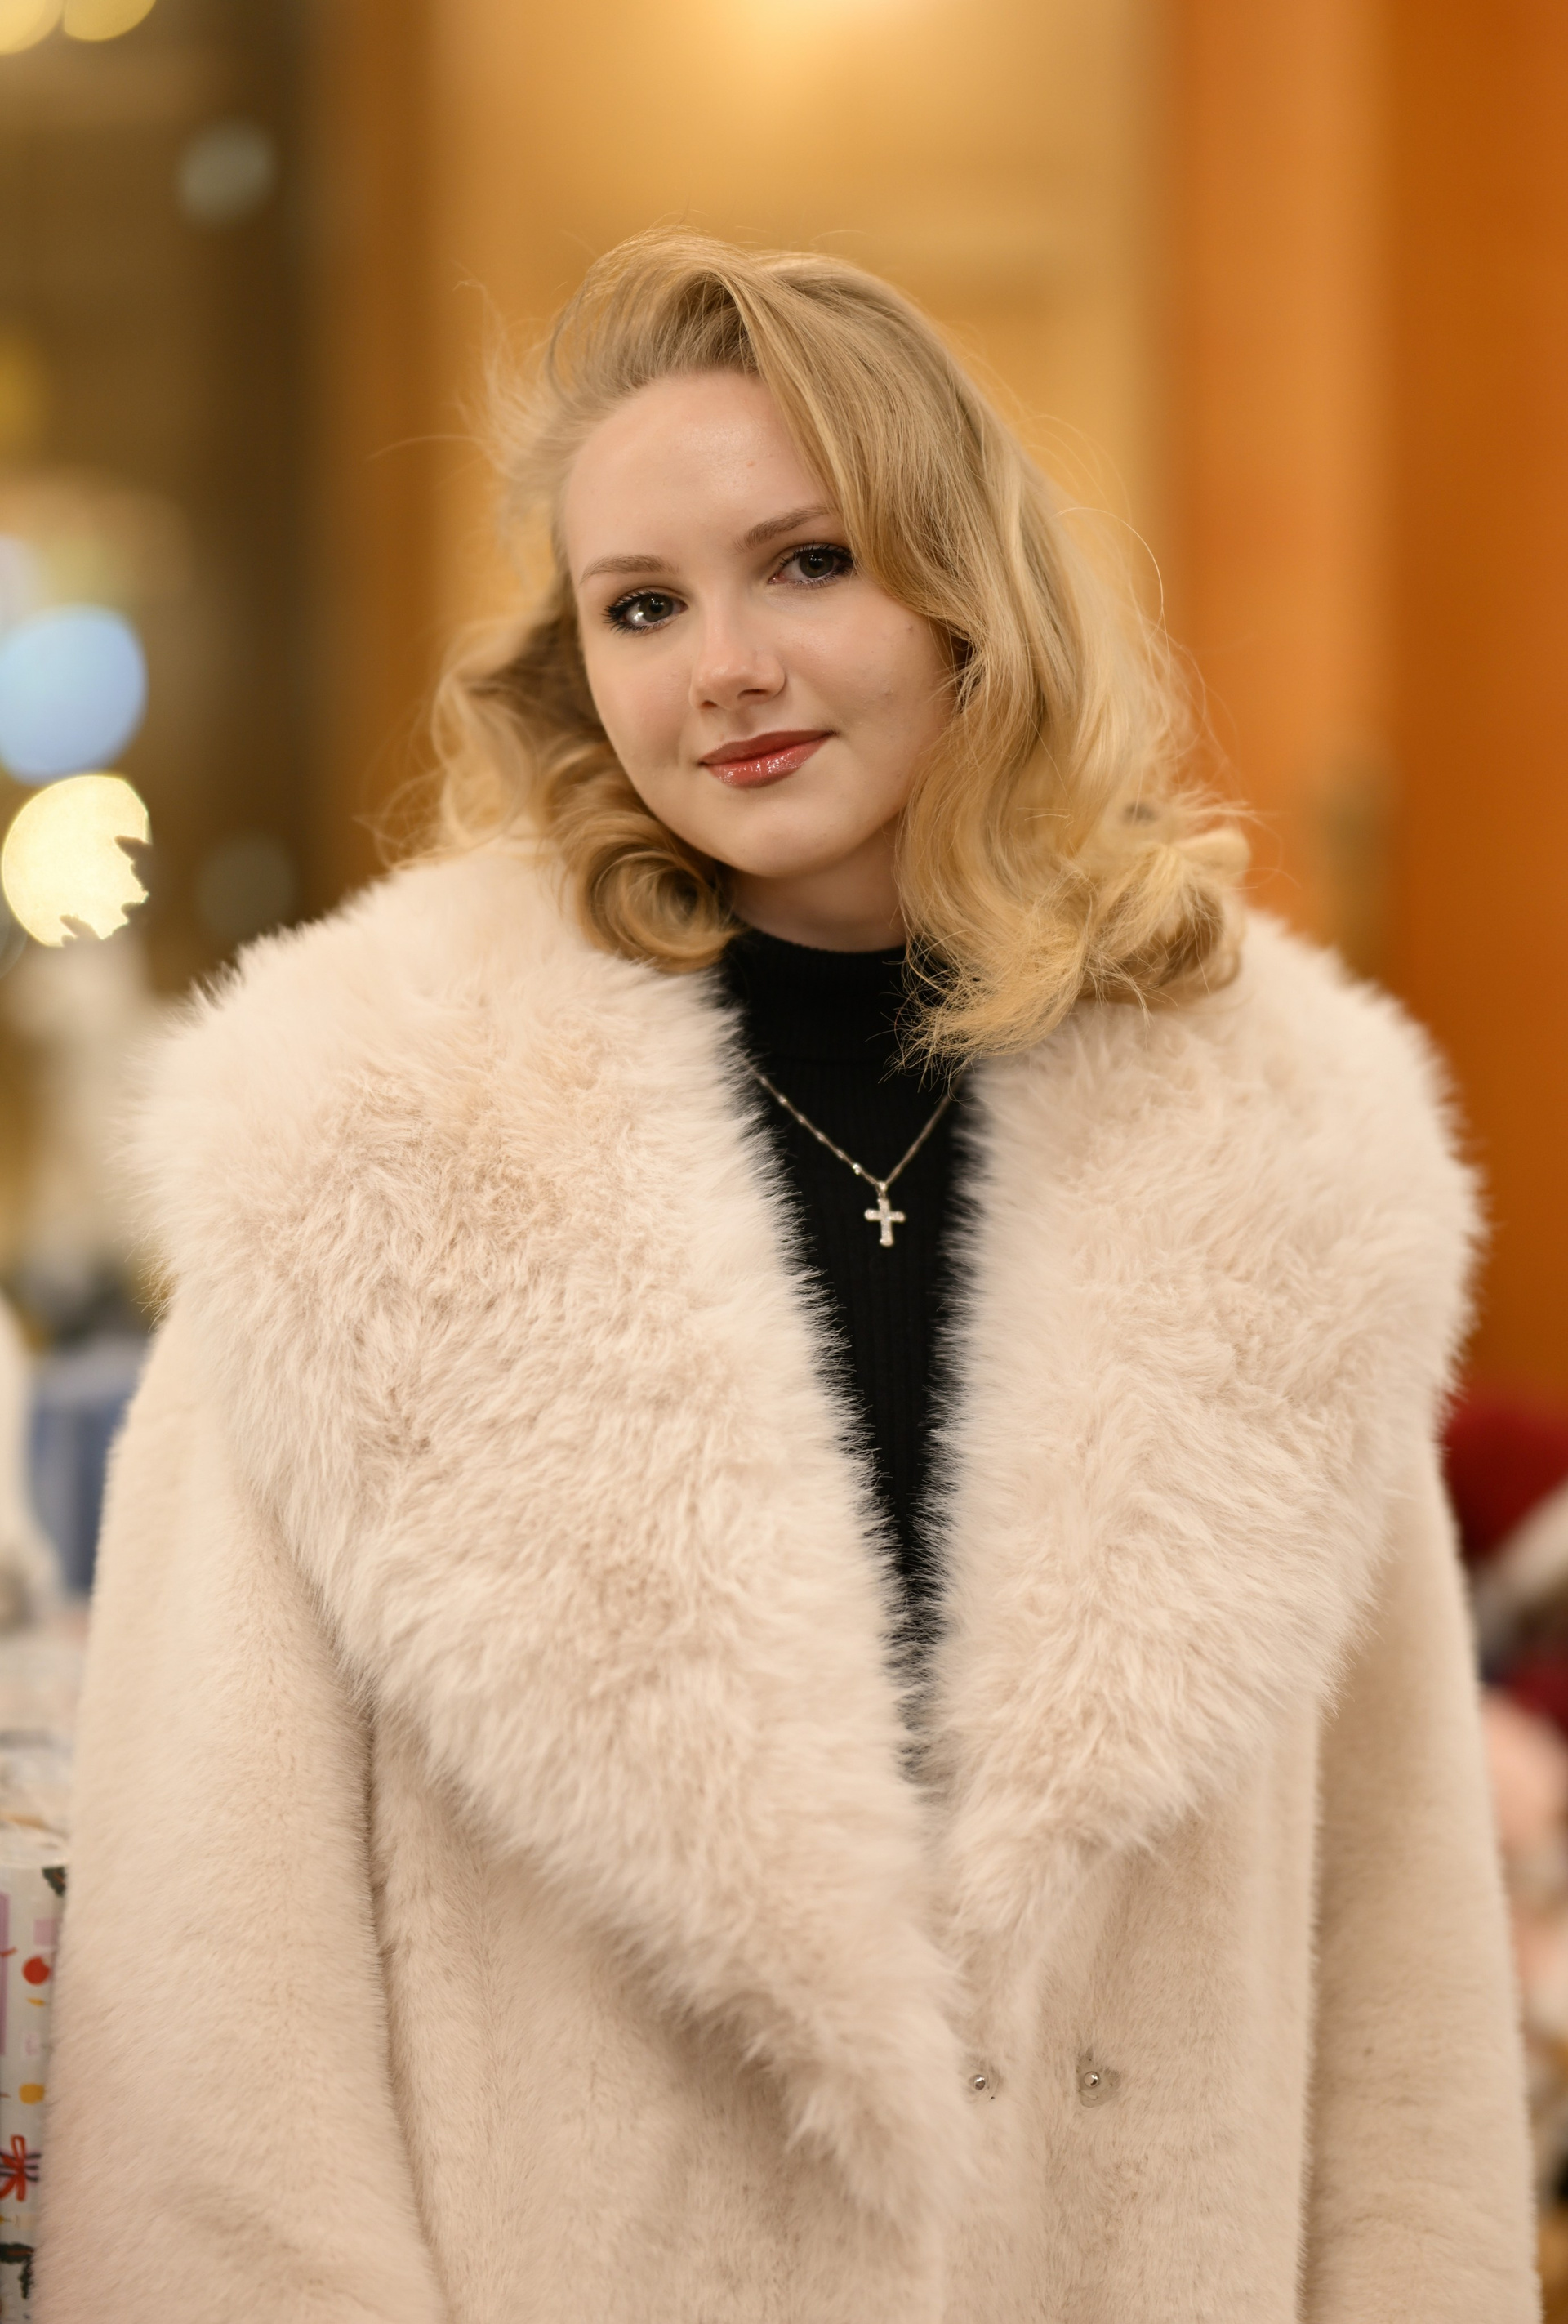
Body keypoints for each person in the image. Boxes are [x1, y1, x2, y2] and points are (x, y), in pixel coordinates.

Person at [38, 234, 1535, 2323]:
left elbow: (1400, 1990)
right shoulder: (356, 1150)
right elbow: (217, 2012)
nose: (722, 666)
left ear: (965, 591)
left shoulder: (1286, 1161)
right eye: (640, 606)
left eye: (807, 564)